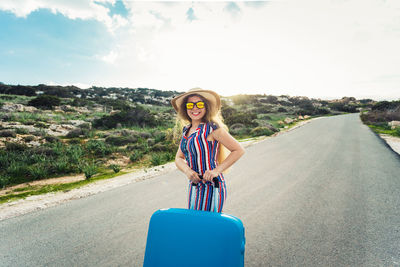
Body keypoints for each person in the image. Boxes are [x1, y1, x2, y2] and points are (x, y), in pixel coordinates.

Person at [172, 88, 245, 213]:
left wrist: (217, 170)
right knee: (194, 224)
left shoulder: (212, 128)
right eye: (190, 105)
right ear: (185, 108)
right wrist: (188, 171)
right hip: (194, 186)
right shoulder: (186, 130)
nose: (195, 108)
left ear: (206, 107)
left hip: (213, 186)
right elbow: (178, 158)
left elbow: (238, 150)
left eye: (199, 104)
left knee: (207, 228)